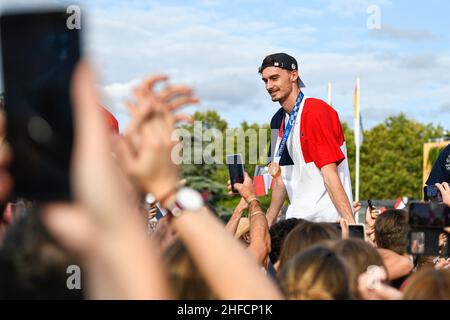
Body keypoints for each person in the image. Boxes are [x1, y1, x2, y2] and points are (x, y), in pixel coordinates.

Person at [259, 53, 354, 225]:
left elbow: (329, 175)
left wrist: (352, 225)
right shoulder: (277, 120)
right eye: (265, 81)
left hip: (328, 223)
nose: (269, 86)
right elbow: (281, 180)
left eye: (274, 78)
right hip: (297, 223)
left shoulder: (316, 111)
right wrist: (268, 223)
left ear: (294, 75)